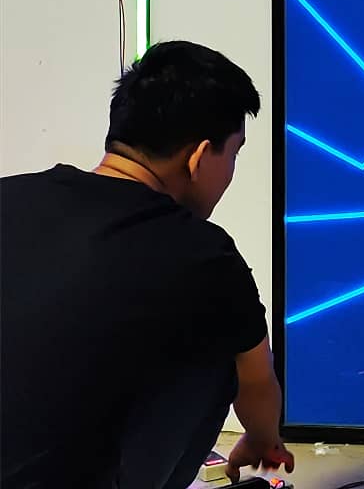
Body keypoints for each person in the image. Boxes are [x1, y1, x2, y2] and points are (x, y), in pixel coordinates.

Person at [0, 40, 295, 489]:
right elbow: (256, 383)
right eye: (233, 153)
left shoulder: (9, 198)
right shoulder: (206, 256)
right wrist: (261, 439)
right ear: (199, 157)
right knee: (226, 351)